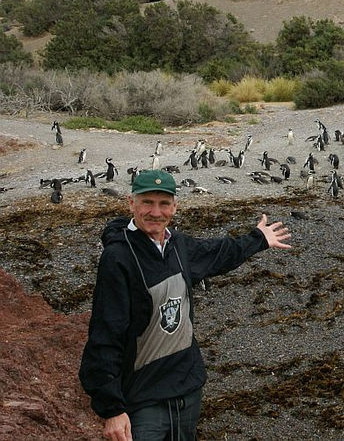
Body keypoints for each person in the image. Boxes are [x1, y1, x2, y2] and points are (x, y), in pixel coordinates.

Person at [79, 169, 292, 441]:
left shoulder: (177, 244)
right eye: (147, 202)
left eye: (164, 204)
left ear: (175, 207)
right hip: (144, 402)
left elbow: (216, 253)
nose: (156, 212)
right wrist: (112, 409)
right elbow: (105, 335)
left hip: (187, 391)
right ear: (131, 203)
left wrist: (258, 240)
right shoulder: (118, 258)